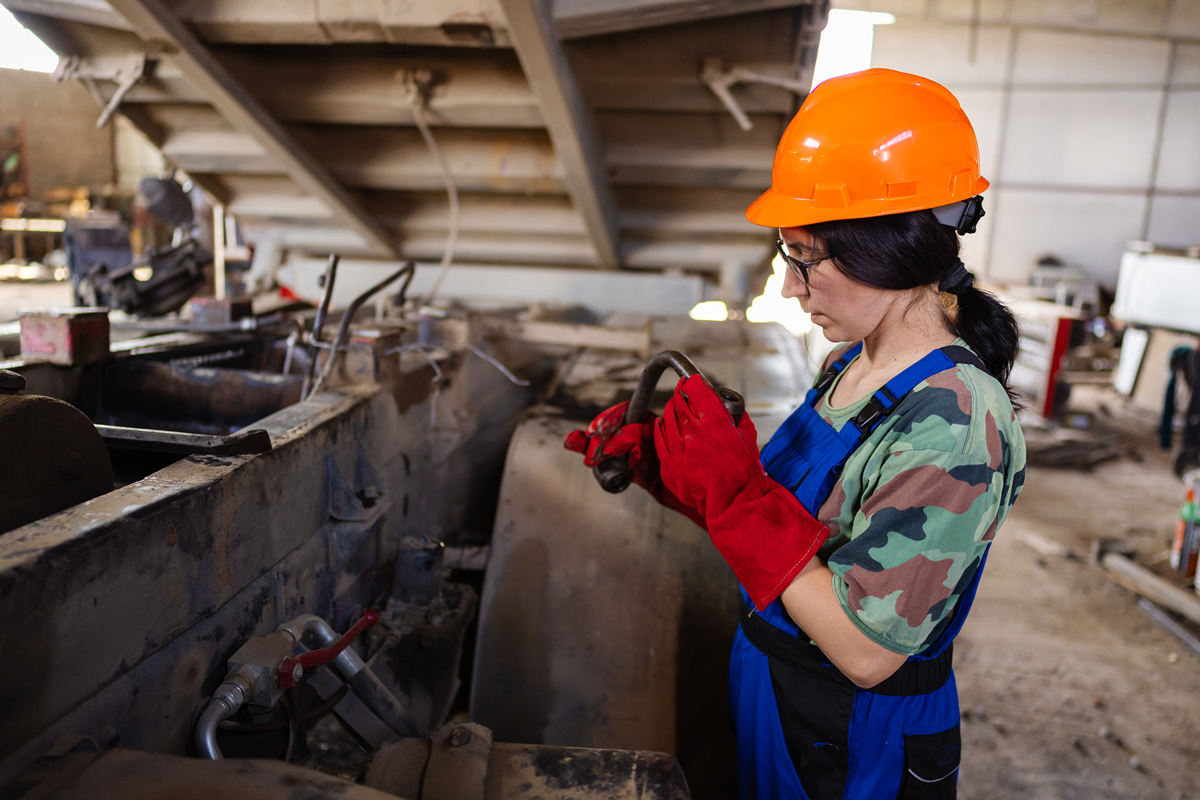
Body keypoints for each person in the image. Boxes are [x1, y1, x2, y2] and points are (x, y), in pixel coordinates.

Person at [565, 68, 1026, 800]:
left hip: (856, 733)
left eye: (803, 258)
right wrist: (678, 474)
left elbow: (866, 647)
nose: (789, 286)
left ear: (890, 246)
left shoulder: (957, 421)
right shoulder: (852, 362)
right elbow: (796, 529)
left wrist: (736, 495)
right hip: (782, 692)